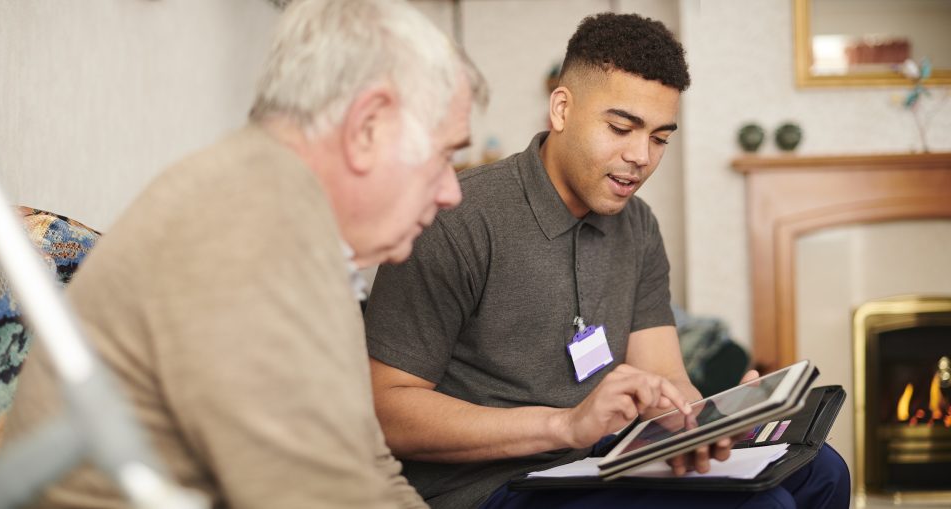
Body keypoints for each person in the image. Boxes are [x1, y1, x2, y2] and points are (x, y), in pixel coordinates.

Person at [5, 0, 487, 507]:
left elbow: (367, 465)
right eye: (445, 155)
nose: (451, 192)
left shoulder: (295, 220)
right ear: (367, 127)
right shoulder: (251, 232)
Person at [364, 12, 851, 509]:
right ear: (561, 109)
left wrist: (710, 420)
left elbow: (665, 377)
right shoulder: (456, 218)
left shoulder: (637, 226)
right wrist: (564, 425)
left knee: (822, 471)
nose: (641, 156)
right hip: (492, 488)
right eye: (621, 127)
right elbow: (386, 410)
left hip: (599, 461)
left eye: (660, 138)